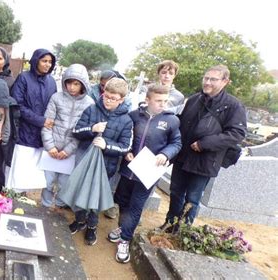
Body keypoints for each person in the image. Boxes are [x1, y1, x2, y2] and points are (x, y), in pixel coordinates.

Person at [160, 65, 247, 232]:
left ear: (225, 82)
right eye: (206, 78)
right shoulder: (194, 100)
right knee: (176, 192)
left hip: (205, 161)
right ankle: (170, 223)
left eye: (213, 79)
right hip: (183, 157)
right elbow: (182, 124)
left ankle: (182, 231)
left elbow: (237, 133)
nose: (207, 82)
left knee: (192, 197)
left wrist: (204, 144)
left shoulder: (234, 106)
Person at [107, 84, 182, 263]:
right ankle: (123, 228)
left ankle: (125, 239)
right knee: (123, 202)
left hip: (149, 173)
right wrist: (126, 152)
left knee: (136, 206)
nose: (163, 104)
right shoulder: (133, 116)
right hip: (128, 170)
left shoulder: (172, 120)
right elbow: (125, 137)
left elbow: (176, 143)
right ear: (147, 100)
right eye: (158, 101)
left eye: (165, 101)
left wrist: (165, 154)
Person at [69, 77, 133, 246]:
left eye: (113, 98)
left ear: (122, 100)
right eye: (106, 96)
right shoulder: (91, 109)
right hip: (85, 160)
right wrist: (92, 129)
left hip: (107, 165)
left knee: (96, 198)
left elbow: (125, 147)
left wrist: (107, 145)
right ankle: (80, 220)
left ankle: (92, 225)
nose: (108, 101)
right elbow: (76, 131)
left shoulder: (126, 120)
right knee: (80, 191)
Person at [40, 63, 94, 208]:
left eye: (76, 83)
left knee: (65, 183)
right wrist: (50, 146)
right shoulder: (56, 98)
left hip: (71, 153)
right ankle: (45, 206)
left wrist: (68, 150)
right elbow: (47, 123)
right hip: (52, 149)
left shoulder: (89, 104)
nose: (72, 87)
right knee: (48, 181)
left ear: (83, 84)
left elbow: (84, 130)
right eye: (69, 82)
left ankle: (59, 208)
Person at [6, 49, 57, 191]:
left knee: (32, 173)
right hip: (24, 132)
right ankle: (13, 197)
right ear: (36, 61)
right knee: (19, 169)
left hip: (42, 134)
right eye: (44, 61)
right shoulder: (24, 78)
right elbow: (17, 104)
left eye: (50, 62)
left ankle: (23, 199)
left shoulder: (51, 82)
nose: (47, 64)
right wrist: (40, 120)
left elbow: (53, 105)